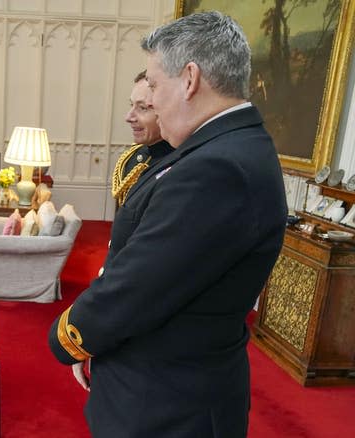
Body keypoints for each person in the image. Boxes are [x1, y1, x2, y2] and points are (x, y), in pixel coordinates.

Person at [48, 11, 287, 437]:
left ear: (190, 78)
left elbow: (137, 286)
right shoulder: (228, 146)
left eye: (155, 87)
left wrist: (68, 338)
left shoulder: (217, 167)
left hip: (166, 405)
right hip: (167, 388)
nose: (151, 102)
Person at [112, 70, 173, 208]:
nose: (129, 117)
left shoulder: (182, 162)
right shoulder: (132, 158)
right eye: (131, 105)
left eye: (142, 108)